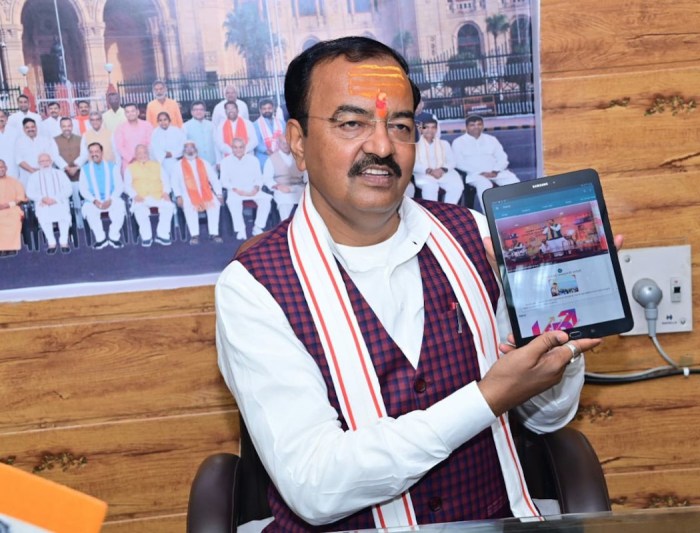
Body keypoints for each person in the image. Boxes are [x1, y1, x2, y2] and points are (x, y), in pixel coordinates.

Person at [215, 36, 600, 532]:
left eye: (400, 126)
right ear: (298, 141)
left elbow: (547, 418)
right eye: (351, 123)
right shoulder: (254, 287)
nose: (381, 147)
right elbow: (315, 488)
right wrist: (485, 399)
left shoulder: (476, 236)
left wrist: (553, 333)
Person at [452, 115, 519, 212]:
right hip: (475, 175)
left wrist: (495, 170)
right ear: (466, 127)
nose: (476, 127)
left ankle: (517, 212)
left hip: (495, 172)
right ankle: (490, 216)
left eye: (479, 124)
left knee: (514, 182)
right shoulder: (458, 142)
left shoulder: (491, 139)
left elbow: (502, 157)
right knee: (485, 186)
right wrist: (480, 172)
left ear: (483, 126)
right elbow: (458, 163)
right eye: (472, 125)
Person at [171, 140, 223, 245]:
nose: (189, 150)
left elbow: (214, 179)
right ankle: (194, 235)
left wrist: (219, 194)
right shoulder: (178, 165)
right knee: (189, 205)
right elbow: (174, 183)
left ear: (196, 150)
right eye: (187, 148)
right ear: (183, 151)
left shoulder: (204, 163)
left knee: (215, 204)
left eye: (192, 147)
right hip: (187, 193)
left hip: (205, 192)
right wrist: (178, 196)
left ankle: (214, 233)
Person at [124, 144, 175, 247]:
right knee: (139, 209)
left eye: (144, 152)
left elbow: (166, 181)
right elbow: (126, 186)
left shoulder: (157, 165)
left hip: (158, 195)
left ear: (148, 153)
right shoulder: (130, 168)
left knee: (169, 206)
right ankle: (146, 237)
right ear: (135, 155)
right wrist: (134, 195)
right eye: (139, 153)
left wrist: (166, 192)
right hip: (140, 197)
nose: (142, 155)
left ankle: (162, 234)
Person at [219, 137, 269, 240]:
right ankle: (241, 230)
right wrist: (236, 190)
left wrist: (256, 188)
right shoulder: (225, 162)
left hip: (252, 189)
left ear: (245, 148)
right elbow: (224, 181)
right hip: (235, 190)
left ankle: (258, 227)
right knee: (233, 202)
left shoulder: (253, 160)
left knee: (266, 200)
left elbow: (259, 178)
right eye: (235, 147)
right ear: (232, 148)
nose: (238, 150)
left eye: (241, 147)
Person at [80, 142, 126, 249]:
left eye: (96, 151)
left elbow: (119, 186)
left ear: (102, 152)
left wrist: (111, 199)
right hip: (94, 201)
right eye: (91, 152)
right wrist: (94, 200)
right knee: (88, 209)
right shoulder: (85, 169)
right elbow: (83, 189)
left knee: (120, 205)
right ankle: (100, 239)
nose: (94, 154)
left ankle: (114, 237)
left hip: (111, 198)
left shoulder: (112, 166)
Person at [26, 153, 73, 254]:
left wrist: (55, 199)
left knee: (63, 216)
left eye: (47, 161)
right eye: (42, 161)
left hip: (59, 201)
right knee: (44, 215)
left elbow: (68, 189)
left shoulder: (60, 173)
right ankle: (51, 242)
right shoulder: (34, 176)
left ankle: (64, 242)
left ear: (51, 162)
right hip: (43, 203)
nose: (45, 163)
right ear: (38, 163)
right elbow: (30, 192)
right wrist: (42, 198)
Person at [411, 115, 463, 204]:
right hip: (424, 174)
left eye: (433, 127)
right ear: (421, 129)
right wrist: (430, 171)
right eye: (426, 127)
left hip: (443, 173)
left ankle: (448, 209)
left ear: (436, 129)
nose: (430, 130)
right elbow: (412, 164)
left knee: (456, 186)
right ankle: (432, 212)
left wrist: (442, 169)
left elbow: (452, 161)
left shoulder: (444, 143)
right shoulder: (414, 145)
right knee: (430, 187)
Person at [53, 117, 88, 229]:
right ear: (60, 127)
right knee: (65, 202)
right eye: (64, 126)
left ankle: (81, 225)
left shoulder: (80, 138)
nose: (66, 128)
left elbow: (84, 154)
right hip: (63, 175)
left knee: (79, 200)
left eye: (69, 126)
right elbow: (55, 156)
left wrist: (76, 167)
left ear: (72, 126)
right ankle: (68, 226)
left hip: (78, 174)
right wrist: (67, 168)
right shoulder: (54, 140)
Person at [262, 134, 305, 221]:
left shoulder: (299, 157)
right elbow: (266, 178)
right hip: (281, 188)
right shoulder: (272, 159)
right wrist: (278, 186)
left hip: (298, 187)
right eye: (283, 143)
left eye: (288, 143)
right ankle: (286, 226)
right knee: (284, 203)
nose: (286, 145)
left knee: (308, 201)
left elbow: (306, 174)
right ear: (278, 144)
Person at [14, 118, 65, 187]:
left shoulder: (45, 139)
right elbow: (19, 160)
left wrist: (41, 170)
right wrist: (32, 170)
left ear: (36, 127)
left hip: (45, 173)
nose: (30, 129)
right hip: (27, 175)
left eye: (32, 127)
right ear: (23, 129)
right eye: (27, 127)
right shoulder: (19, 142)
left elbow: (52, 156)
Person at [113, 103, 154, 174]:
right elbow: (120, 147)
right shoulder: (120, 128)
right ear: (125, 114)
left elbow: (150, 143)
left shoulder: (147, 125)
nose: (130, 114)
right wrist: (131, 158)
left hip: (146, 161)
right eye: (127, 112)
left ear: (138, 112)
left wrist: (143, 157)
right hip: (129, 163)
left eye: (132, 111)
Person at [0, 159, 26, 257]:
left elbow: (20, 197)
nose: (0, 169)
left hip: (12, 208)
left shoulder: (14, 182)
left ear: (6, 168)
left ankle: (11, 247)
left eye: (2, 167)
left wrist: (8, 205)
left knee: (14, 218)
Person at [149, 111, 186, 176]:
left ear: (169, 120)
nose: (163, 122)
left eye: (165, 119)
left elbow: (183, 145)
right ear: (157, 122)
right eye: (160, 120)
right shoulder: (155, 133)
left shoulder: (177, 131)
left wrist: (172, 153)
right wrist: (163, 155)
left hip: (175, 160)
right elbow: (153, 148)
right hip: (161, 162)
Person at [253, 98, 285, 170]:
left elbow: (286, 139)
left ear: (273, 108)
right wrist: (267, 151)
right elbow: (256, 142)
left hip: (281, 155)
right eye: (264, 109)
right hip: (264, 157)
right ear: (260, 110)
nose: (267, 110)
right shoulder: (255, 125)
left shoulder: (281, 123)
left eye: (269, 108)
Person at [183, 101, 216, 167]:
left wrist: (218, 161)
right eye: (196, 110)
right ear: (192, 112)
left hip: (212, 163)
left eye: (201, 109)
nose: (199, 112)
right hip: (194, 163)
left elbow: (216, 144)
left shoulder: (211, 125)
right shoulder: (185, 126)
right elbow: (184, 146)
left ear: (204, 111)